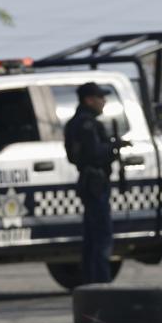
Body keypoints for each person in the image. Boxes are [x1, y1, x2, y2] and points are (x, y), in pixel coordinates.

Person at [64, 82, 116, 284]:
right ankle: (102, 283)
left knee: (92, 236)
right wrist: (112, 148)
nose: (104, 101)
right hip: (95, 182)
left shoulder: (76, 122)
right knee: (101, 237)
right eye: (100, 97)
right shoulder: (88, 124)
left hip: (89, 181)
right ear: (89, 100)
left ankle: (91, 282)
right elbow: (93, 153)